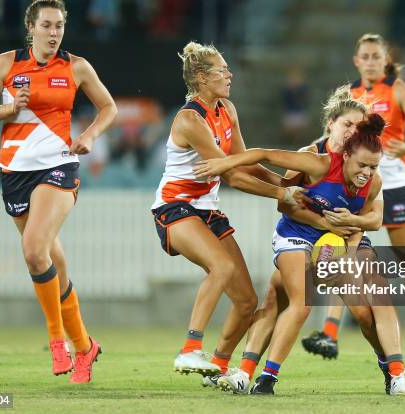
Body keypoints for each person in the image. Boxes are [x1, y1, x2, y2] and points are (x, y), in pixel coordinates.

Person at [194, 101, 405, 396]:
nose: (352, 130)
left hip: (342, 239)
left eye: (358, 126)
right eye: (347, 124)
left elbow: (372, 219)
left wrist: (348, 237)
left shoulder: (369, 169)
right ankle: (254, 375)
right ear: (330, 124)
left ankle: (392, 370)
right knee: (292, 300)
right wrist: (225, 163)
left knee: (367, 307)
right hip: (299, 235)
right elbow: (284, 199)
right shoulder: (314, 160)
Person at [0, 0, 118, 383]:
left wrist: (88, 135)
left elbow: (109, 108)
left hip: (58, 164)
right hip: (14, 171)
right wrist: (7, 110)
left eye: (60, 26)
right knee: (51, 263)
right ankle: (85, 346)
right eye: (47, 26)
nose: (54, 33)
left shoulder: (76, 66)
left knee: (34, 249)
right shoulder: (6, 64)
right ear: (30, 27)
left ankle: (57, 341)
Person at [151, 41, 305, 378]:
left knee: (247, 301)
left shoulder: (227, 109)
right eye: (223, 70)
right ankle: (190, 349)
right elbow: (233, 175)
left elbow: (244, 163)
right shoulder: (191, 119)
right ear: (203, 79)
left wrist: (287, 186)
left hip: (206, 211)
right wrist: (286, 196)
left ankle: (219, 366)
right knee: (220, 266)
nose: (230, 75)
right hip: (175, 207)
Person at [303, 33, 405, 359]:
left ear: (385, 59)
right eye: (367, 56)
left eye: (377, 56)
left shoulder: (399, 90)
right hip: (359, 184)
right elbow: (334, 132)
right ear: (357, 61)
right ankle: (329, 334)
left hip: (396, 184)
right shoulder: (350, 94)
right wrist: (315, 151)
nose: (372, 61)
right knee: (343, 251)